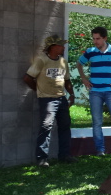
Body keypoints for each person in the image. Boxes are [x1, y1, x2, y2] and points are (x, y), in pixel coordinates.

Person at [23, 35, 77, 167]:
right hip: (47, 100)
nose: (63, 47)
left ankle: (65, 155)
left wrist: (71, 94)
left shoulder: (63, 61)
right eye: (60, 45)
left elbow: (67, 80)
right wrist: (39, 90)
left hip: (61, 98)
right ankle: (41, 158)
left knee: (65, 126)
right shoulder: (42, 60)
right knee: (46, 126)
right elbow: (27, 78)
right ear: (52, 47)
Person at [76, 26, 111, 156]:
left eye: (98, 39)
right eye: (94, 39)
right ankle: (100, 150)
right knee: (97, 122)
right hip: (95, 91)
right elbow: (79, 64)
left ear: (105, 38)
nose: (95, 41)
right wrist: (84, 78)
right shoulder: (90, 52)